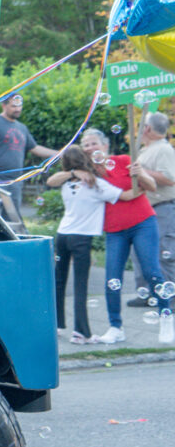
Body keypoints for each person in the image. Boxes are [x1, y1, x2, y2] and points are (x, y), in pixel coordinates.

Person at [80, 128, 173, 344]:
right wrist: (76, 172)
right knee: (112, 277)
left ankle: (166, 318)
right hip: (114, 230)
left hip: (142, 223)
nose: (89, 148)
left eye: (94, 143)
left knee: (152, 272)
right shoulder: (87, 174)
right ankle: (115, 327)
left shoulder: (123, 161)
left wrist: (140, 174)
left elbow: (150, 187)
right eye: (86, 145)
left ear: (104, 146)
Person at [45, 146, 135, 344]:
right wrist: (144, 186)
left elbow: (50, 180)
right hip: (81, 238)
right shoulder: (96, 184)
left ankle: (57, 325)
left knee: (59, 281)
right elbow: (127, 196)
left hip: (63, 235)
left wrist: (71, 173)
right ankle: (81, 333)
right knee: (80, 285)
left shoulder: (66, 182)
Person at [0, 94, 57, 218]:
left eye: (19, 106)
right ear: (4, 105)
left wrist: (59, 153)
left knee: (12, 219)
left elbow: (35, 148)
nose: (17, 109)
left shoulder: (22, 128)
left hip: (15, 181)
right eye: (13, 106)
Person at [128, 112, 175, 309]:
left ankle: (170, 297)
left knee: (164, 253)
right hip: (144, 209)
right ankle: (146, 293)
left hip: (161, 208)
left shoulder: (163, 149)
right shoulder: (146, 150)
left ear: (147, 128)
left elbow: (169, 178)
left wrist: (142, 171)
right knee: (140, 253)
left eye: (141, 125)